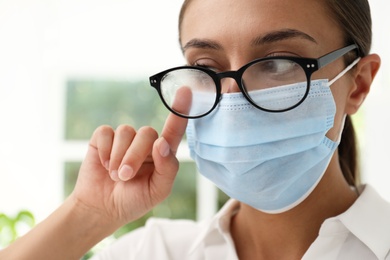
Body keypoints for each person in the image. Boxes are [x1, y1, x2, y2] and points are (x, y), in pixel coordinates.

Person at [0, 0, 388, 259]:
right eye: (205, 67)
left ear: (358, 83)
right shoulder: (150, 252)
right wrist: (88, 215)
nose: (232, 98)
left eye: (278, 63)